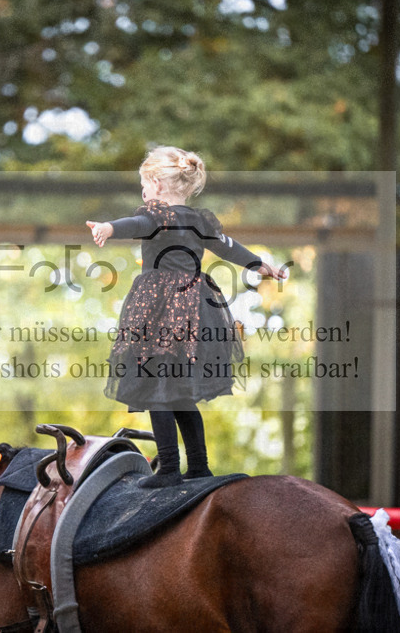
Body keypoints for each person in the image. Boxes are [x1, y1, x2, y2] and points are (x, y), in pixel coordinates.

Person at [87, 146, 287, 487]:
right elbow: (228, 246)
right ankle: (198, 466)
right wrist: (259, 264)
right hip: (196, 309)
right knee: (179, 392)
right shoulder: (200, 220)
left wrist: (108, 226)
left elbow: (136, 223)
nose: (144, 194)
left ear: (158, 184)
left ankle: (168, 468)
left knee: (153, 387)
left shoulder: (156, 214)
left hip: (159, 309)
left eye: (144, 187)